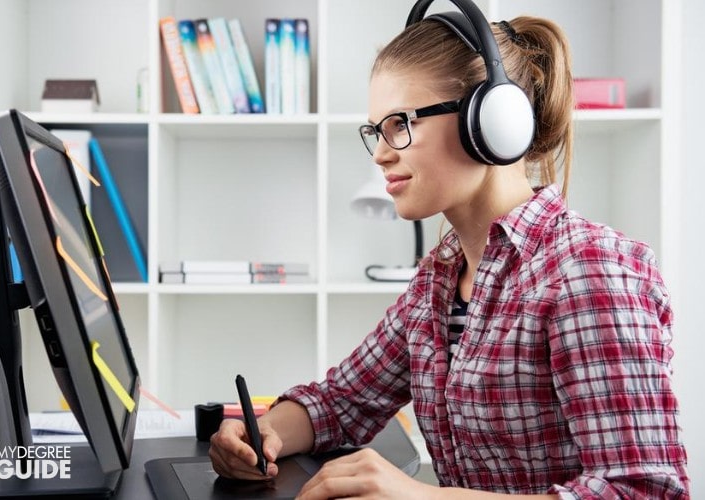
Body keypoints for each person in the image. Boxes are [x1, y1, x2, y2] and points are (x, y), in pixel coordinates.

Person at [209, 2, 690, 497]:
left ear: (489, 122)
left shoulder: (590, 272)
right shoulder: (438, 281)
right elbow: (342, 401)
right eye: (376, 131)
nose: (380, 152)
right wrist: (264, 434)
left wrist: (422, 496)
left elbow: (642, 490)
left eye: (400, 124)